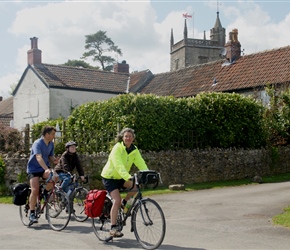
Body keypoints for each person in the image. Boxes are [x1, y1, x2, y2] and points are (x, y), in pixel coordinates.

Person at [101, 127, 148, 237]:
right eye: (126, 136)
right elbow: (118, 165)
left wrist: (147, 173)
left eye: (130, 137)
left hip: (122, 177)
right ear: (122, 137)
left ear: (133, 138)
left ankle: (125, 205)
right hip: (110, 177)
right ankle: (113, 228)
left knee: (135, 188)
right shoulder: (117, 148)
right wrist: (128, 176)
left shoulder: (134, 150)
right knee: (116, 200)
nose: (128, 138)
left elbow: (141, 163)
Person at [27, 125, 59, 224]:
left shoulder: (51, 144)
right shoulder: (37, 143)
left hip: (44, 168)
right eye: (53, 134)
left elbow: (51, 156)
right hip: (34, 169)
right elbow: (38, 157)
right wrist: (47, 169)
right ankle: (32, 213)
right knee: (35, 190)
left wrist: (55, 160)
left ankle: (45, 192)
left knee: (56, 177)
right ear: (46, 134)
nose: (54, 136)